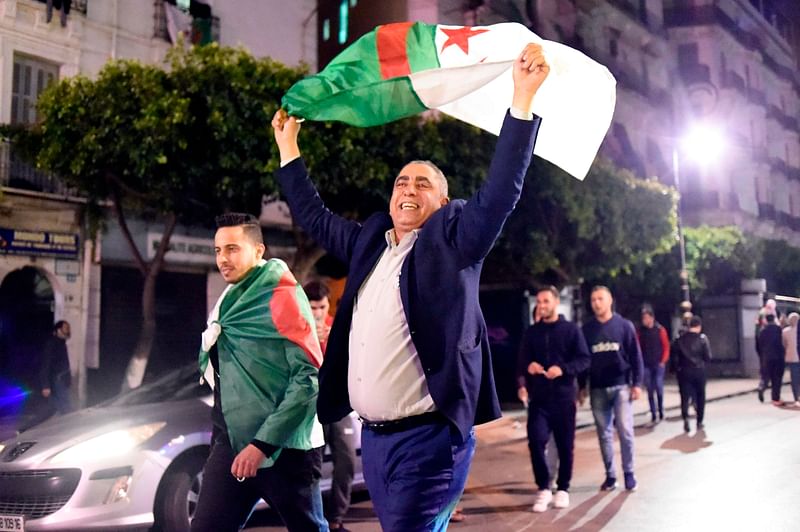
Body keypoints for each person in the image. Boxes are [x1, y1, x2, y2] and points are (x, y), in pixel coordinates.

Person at [272, 43, 550, 531]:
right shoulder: (368, 245)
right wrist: (288, 147)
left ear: (441, 202)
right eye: (402, 182)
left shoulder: (454, 240)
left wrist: (522, 100)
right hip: (374, 443)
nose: (408, 189)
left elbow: (500, 192)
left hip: (429, 439)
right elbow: (314, 215)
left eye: (422, 184)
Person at [193, 213, 328, 532]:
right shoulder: (232, 297)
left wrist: (262, 445)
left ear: (258, 251)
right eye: (217, 250)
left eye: (232, 248)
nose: (223, 259)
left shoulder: (281, 296)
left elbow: (307, 381)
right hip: (231, 441)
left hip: (285, 449)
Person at [516, 286, 590, 512]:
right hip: (539, 399)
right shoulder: (532, 332)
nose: (542, 305)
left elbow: (584, 359)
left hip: (564, 397)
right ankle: (543, 488)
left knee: (565, 445)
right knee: (536, 441)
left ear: (556, 302)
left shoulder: (571, 330)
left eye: (546, 301)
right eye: (539, 301)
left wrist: (564, 369)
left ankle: (563, 488)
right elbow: (522, 362)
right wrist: (528, 371)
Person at [580, 286, 643, 492]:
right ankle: (610, 475)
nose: (596, 303)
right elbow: (583, 360)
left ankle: (629, 473)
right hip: (597, 388)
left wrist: (637, 383)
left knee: (625, 431)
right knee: (604, 434)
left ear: (609, 301)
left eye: (600, 299)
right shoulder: (587, 330)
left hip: (621, 386)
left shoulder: (624, 326)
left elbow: (635, 356)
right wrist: (582, 387)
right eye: (593, 300)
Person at [304, 280, 356, 532]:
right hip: (310, 407)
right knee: (311, 466)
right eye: (312, 308)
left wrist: (331, 340)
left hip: (337, 403)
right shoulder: (297, 326)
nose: (317, 313)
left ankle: (336, 518)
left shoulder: (337, 325)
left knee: (346, 461)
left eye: (321, 307)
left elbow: (354, 357)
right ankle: (315, 520)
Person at [669, 316, 712, 432]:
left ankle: (686, 419)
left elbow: (674, 357)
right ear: (699, 326)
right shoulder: (703, 339)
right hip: (699, 371)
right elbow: (708, 357)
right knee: (700, 396)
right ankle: (699, 420)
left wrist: (674, 370)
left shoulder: (679, 339)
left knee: (684, 397)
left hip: (684, 371)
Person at [637, 307, 670, 423]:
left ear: (652, 318)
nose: (645, 321)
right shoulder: (641, 332)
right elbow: (638, 347)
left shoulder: (660, 330)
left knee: (658, 386)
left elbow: (666, 346)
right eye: (643, 318)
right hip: (646, 363)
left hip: (658, 363)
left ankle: (661, 410)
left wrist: (663, 361)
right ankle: (653, 412)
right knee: (650, 389)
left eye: (647, 318)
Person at [40, 320, 73, 415]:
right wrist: (45, 385)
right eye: (66, 328)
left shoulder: (62, 344)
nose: (68, 331)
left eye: (68, 328)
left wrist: (68, 378)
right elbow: (45, 364)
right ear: (59, 330)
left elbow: (65, 363)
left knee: (63, 407)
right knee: (64, 407)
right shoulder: (52, 344)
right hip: (56, 380)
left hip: (62, 379)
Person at [757, 313, 785, 406]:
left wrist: (762, 355)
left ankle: (762, 388)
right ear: (774, 319)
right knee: (776, 378)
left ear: (766, 320)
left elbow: (759, 345)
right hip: (778, 357)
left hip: (766, 357)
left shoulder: (762, 331)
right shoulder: (778, 329)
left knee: (766, 376)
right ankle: (775, 398)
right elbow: (782, 343)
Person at [785, 313, 800, 407]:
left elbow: (784, 344)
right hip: (796, 357)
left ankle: (796, 398)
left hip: (792, 358)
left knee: (794, 379)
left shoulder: (785, 331)